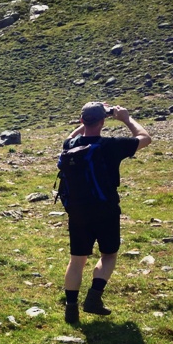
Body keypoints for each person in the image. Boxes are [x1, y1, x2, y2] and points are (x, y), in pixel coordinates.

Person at [62, 102, 152, 324]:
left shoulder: (70, 144)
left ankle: (71, 310)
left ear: (82, 120)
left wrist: (91, 118)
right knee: (108, 255)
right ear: (102, 122)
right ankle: (94, 298)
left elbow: (75, 134)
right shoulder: (110, 145)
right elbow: (145, 138)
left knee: (77, 260)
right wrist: (125, 119)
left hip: (77, 210)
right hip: (105, 209)